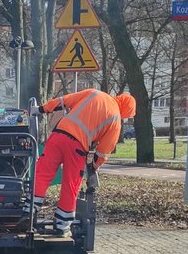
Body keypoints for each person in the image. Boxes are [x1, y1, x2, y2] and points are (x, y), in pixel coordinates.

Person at [33, 88, 136, 236]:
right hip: (77, 147)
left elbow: (64, 101)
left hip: (58, 135)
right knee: (71, 184)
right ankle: (62, 226)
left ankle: (28, 213)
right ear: (126, 110)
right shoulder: (115, 120)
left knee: (42, 173)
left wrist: (41, 109)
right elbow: (103, 151)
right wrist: (94, 166)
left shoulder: (95, 93)